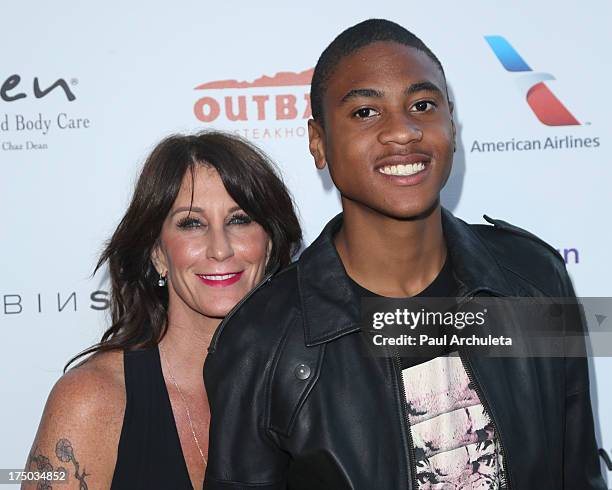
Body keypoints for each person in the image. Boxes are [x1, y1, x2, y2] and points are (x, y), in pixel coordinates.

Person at [203, 19, 606, 490]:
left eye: (422, 105)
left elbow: (577, 473)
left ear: (451, 126)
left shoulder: (533, 279)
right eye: (365, 112)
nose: (403, 131)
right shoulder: (261, 340)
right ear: (318, 142)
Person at [23, 131, 302, 489]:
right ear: (157, 253)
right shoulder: (90, 399)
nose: (220, 248)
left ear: (270, 245)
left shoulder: (314, 387)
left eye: (239, 219)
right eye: (191, 223)